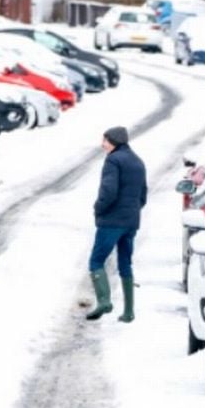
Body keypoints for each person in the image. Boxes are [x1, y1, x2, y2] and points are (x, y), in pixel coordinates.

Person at [86, 126, 147, 323]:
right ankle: (129, 312)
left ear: (114, 141)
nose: (102, 144)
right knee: (125, 263)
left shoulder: (113, 160)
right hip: (131, 222)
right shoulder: (138, 161)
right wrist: (132, 212)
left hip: (112, 221)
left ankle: (104, 301)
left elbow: (108, 191)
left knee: (96, 261)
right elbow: (143, 195)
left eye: (105, 140)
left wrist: (99, 208)